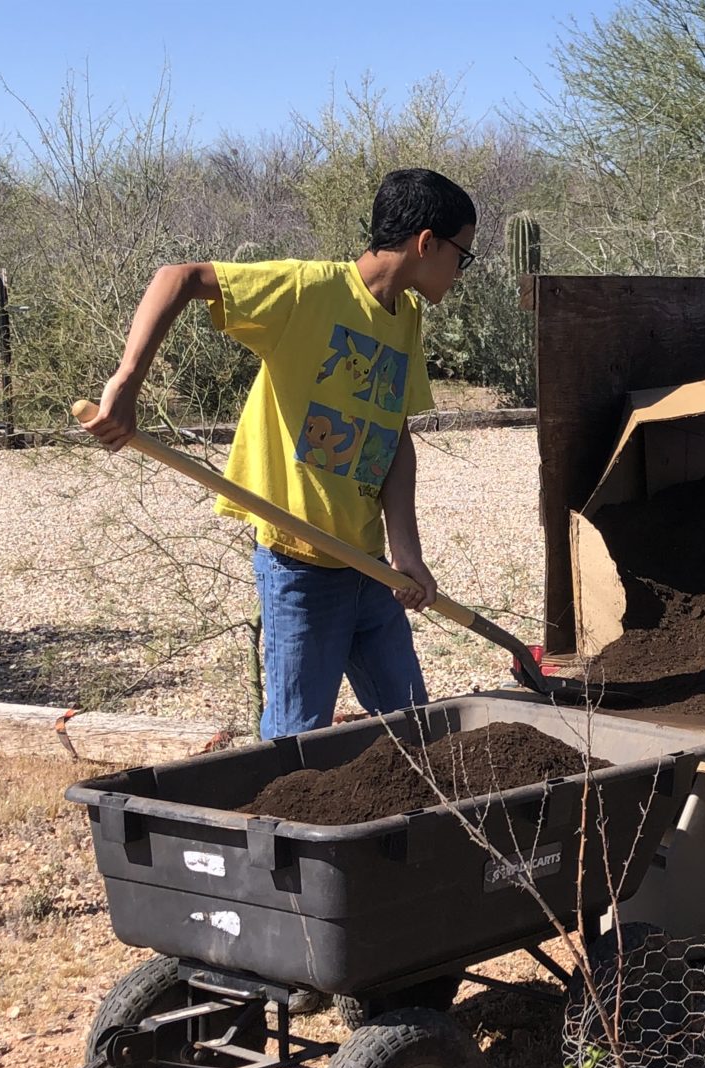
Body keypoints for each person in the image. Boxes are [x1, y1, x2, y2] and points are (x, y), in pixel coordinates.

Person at [84, 167, 477, 741]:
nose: (460, 273)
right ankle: (279, 832)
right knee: (296, 745)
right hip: (300, 567)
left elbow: (393, 439)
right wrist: (125, 384)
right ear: (426, 244)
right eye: (461, 256)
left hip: (370, 568)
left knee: (416, 730)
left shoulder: (407, 318)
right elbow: (179, 277)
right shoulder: (306, 292)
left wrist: (406, 553)